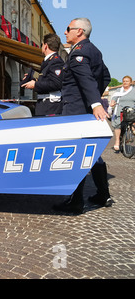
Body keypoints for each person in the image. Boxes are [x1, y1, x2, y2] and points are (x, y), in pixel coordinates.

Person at [53, 18, 112, 214]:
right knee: (93, 154)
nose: (65, 32)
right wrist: (92, 101)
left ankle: (75, 202)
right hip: (85, 108)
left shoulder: (78, 52)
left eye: (68, 29)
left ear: (79, 31)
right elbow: (105, 76)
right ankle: (103, 194)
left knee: (76, 155)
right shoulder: (94, 50)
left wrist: (95, 103)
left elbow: (85, 78)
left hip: (75, 111)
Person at [21, 34, 64, 116]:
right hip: (45, 104)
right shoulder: (48, 61)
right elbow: (47, 81)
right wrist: (33, 80)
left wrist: (35, 85)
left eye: (42, 44)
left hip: (50, 106)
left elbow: (56, 83)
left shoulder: (55, 61)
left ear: (45, 46)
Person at [109, 76, 135, 152]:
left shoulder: (134, 90)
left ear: (130, 82)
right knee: (118, 125)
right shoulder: (119, 90)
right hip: (120, 110)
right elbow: (114, 98)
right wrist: (112, 103)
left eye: (127, 81)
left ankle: (132, 130)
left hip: (131, 110)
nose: (125, 82)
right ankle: (117, 141)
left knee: (133, 121)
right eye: (124, 81)